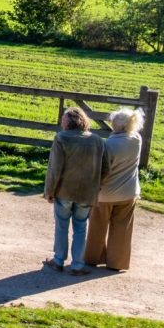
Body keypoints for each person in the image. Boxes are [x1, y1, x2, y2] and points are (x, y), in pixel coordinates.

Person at [43, 105, 107, 275]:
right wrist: (97, 185)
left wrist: (49, 191)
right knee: (80, 227)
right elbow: (105, 168)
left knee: (62, 225)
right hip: (86, 193)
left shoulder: (62, 138)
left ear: (68, 122)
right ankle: (77, 264)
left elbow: (55, 168)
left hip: (64, 191)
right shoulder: (97, 140)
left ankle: (58, 260)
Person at [84, 109, 144, 272]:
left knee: (97, 226)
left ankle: (92, 258)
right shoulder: (137, 140)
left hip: (106, 194)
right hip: (129, 192)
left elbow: (100, 169)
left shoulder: (108, 145)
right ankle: (117, 262)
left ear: (118, 125)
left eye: (113, 121)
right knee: (122, 228)